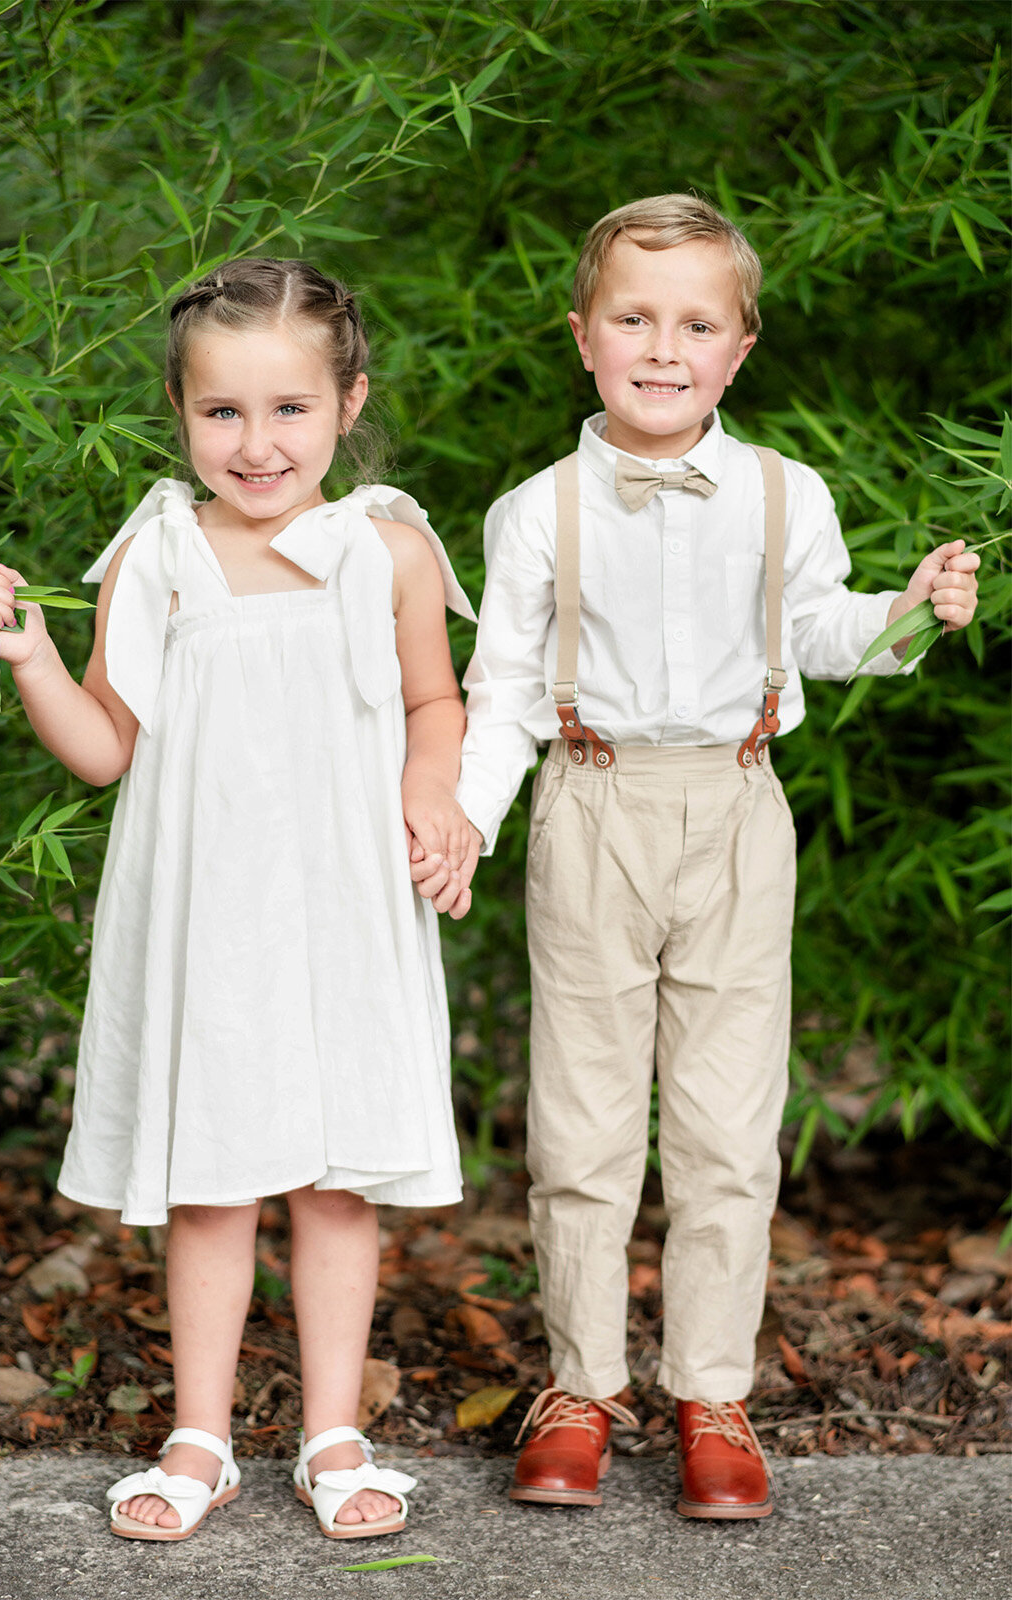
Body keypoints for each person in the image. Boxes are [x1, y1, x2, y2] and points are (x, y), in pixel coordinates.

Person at [421, 194, 979, 1520]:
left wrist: (908, 614)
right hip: (587, 805)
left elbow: (827, 634)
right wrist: (467, 820)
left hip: (734, 808)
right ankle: (577, 1385)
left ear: (737, 350)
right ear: (582, 336)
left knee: (728, 1127)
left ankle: (709, 1392)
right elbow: (497, 689)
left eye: (694, 325)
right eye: (632, 317)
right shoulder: (532, 511)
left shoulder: (788, 493)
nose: (660, 348)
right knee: (579, 1121)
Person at [0, 257, 476, 1543]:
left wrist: (434, 790)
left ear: (349, 400)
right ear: (182, 413)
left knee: (334, 1176)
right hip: (208, 910)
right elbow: (105, 746)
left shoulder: (388, 547)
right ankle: (198, 1435)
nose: (256, 444)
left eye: (290, 409)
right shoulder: (159, 552)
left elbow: (433, 698)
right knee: (211, 1178)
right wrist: (31, 659)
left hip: (344, 901)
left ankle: (331, 1433)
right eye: (222, 413)